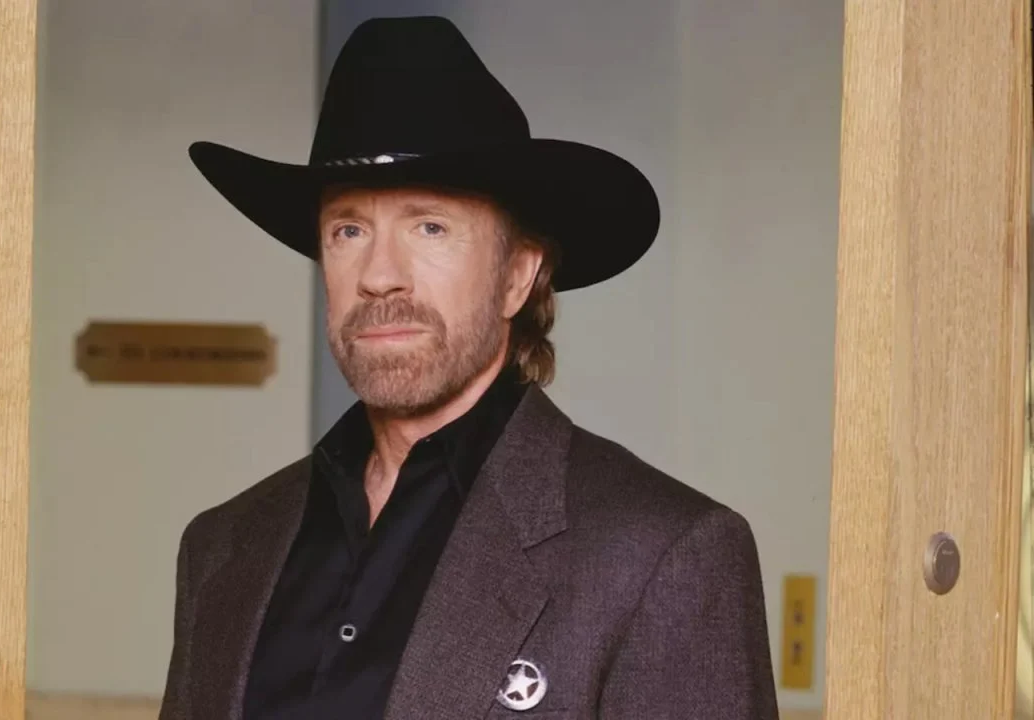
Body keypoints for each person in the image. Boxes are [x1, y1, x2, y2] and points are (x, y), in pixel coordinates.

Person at [159, 15, 778, 720]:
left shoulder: (663, 555)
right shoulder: (223, 547)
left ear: (517, 276)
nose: (379, 276)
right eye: (348, 230)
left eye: (430, 226)